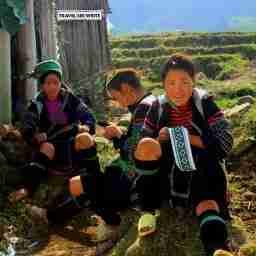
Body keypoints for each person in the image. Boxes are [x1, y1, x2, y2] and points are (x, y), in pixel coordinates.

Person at [131, 53, 234, 256]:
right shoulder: (157, 107)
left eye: (185, 82)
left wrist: (184, 136)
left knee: (207, 203)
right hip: (166, 174)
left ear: (193, 82)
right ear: (164, 85)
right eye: (171, 83)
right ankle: (148, 209)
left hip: (200, 166)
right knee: (146, 144)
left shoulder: (204, 103)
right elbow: (139, 146)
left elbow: (225, 143)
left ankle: (217, 249)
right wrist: (160, 139)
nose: (178, 89)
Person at [68, 68, 157, 254]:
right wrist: (121, 135)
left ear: (126, 88)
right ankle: (110, 221)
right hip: (139, 177)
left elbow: (133, 152)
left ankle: (112, 224)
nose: (118, 103)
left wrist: (117, 136)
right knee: (88, 180)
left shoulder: (143, 109)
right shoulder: (151, 102)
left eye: (116, 97)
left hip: (134, 182)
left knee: (76, 185)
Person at [9, 59, 99, 225]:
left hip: (72, 145)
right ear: (42, 85)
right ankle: (28, 188)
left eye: (55, 82)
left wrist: (86, 126)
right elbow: (28, 124)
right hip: (51, 151)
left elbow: (88, 116)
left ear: (60, 83)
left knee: (85, 139)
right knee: (47, 146)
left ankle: (96, 180)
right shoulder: (38, 103)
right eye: (48, 83)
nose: (52, 87)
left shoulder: (70, 99)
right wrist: (34, 135)